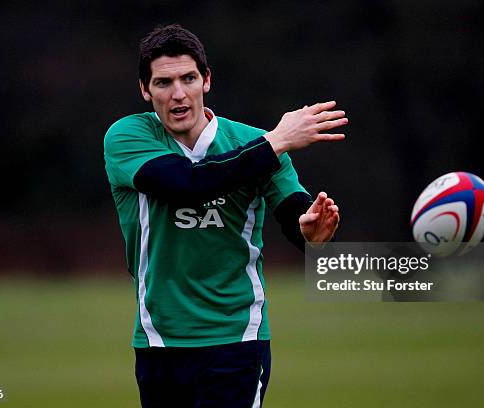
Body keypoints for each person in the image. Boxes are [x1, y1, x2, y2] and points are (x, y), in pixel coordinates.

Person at [104, 24, 346, 408]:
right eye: (164, 83)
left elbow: (293, 211)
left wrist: (311, 232)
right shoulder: (128, 137)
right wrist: (277, 140)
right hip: (159, 341)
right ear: (144, 90)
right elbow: (187, 182)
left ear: (207, 80)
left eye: (188, 78)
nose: (178, 93)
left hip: (238, 342)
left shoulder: (255, 145)